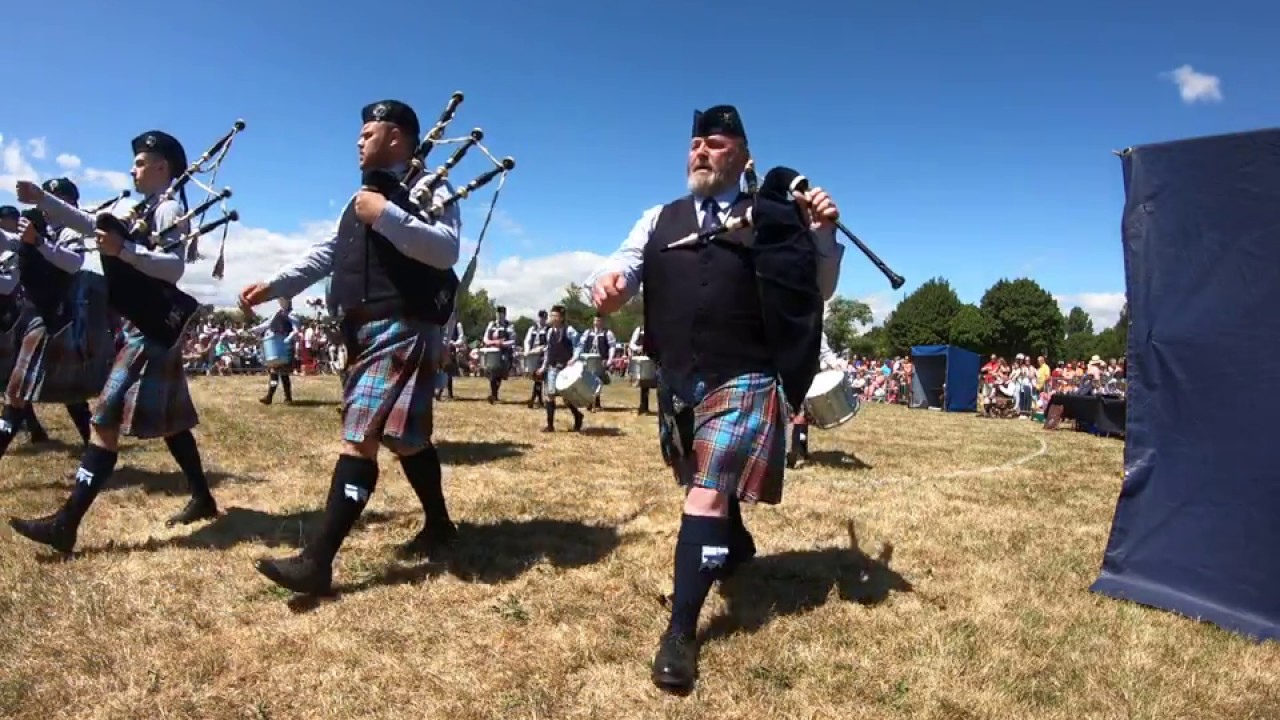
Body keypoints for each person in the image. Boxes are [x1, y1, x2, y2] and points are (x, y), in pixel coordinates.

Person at [582, 104, 843, 693]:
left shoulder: (775, 215)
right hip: (678, 378)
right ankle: (737, 534)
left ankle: (680, 632)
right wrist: (607, 283)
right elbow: (621, 266)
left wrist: (822, 235)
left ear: (744, 158)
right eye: (697, 143)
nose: (702, 151)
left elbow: (819, 288)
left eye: (718, 144)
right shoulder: (659, 217)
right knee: (702, 479)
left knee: (702, 499)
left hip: (744, 373)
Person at [238, 99, 462, 595]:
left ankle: (317, 561)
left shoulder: (432, 187)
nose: (358, 141)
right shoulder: (360, 196)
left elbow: (446, 249)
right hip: (363, 328)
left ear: (397, 137)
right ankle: (441, 526)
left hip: (399, 323)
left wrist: (386, 215)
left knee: (358, 436)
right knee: (406, 438)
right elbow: (329, 252)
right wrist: (277, 284)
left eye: (367, 133)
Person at [8, 131, 221, 553]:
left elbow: (174, 269)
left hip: (151, 326)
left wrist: (124, 251)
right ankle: (203, 497)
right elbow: (89, 223)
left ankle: (65, 524)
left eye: (141, 162)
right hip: (140, 326)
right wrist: (43, 201)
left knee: (104, 419)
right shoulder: (132, 206)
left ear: (162, 167)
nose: (132, 169)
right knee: (173, 423)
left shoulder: (170, 210)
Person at [0, 178, 106, 462]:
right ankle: (94, 448)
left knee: (17, 391)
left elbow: (73, 263)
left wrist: (39, 242)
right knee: (68, 391)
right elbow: (9, 241)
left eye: (57, 198)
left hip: (56, 319)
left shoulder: (70, 232)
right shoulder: (38, 228)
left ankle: (96, 450)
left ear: (71, 204)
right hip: (33, 317)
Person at [786, 329, 848, 468]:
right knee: (795, 412)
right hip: (788, 369)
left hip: (803, 371)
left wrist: (835, 364)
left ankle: (798, 451)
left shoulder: (812, 325)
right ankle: (794, 451)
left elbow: (824, 350)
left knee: (802, 412)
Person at [536, 305, 584, 432]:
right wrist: (543, 367)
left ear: (562, 317)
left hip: (565, 368)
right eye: (552, 315)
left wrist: (574, 358)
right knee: (550, 394)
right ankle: (550, 425)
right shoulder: (550, 332)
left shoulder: (569, 330)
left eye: (555, 316)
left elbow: (579, 345)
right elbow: (548, 351)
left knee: (566, 397)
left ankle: (578, 416)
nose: (553, 318)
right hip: (552, 367)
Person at [250, 297, 301, 405]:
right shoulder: (277, 313)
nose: (280, 301)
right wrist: (255, 329)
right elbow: (267, 324)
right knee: (274, 373)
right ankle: (271, 396)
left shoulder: (292, 313)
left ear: (287, 301)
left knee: (283, 373)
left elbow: (296, 329)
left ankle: (286, 398)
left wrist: (289, 338)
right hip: (274, 346)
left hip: (285, 345)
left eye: (282, 300)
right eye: (279, 300)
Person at [481, 305, 517, 403]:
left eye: (501, 314)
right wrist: (493, 343)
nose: (499, 316)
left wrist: (502, 344)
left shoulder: (509, 326)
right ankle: (494, 395)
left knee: (499, 371)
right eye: (497, 313)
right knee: (492, 373)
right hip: (492, 351)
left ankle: (494, 394)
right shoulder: (491, 324)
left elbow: (513, 340)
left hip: (504, 352)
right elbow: (485, 338)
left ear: (504, 315)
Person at [523, 309, 549, 407]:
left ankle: (534, 398)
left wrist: (542, 348)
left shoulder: (548, 329)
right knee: (536, 377)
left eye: (544, 318)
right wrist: (527, 351)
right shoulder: (532, 329)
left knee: (538, 377)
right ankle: (539, 400)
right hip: (532, 354)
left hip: (543, 354)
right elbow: (527, 340)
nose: (542, 319)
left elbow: (549, 344)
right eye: (540, 317)